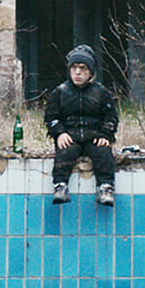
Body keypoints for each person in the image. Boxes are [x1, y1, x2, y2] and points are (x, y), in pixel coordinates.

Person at [44, 44, 119, 206]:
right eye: (74, 68)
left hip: (94, 136)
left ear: (91, 72)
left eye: (83, 68)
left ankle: (106, 188)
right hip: (70, 135)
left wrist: (105, 135)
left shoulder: (101, 93)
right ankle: (60, 186)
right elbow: (51, 117)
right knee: (64, 153)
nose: (78, 73)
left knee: (103, 154)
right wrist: (60, 133)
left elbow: (111, 117)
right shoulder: (60, 92)